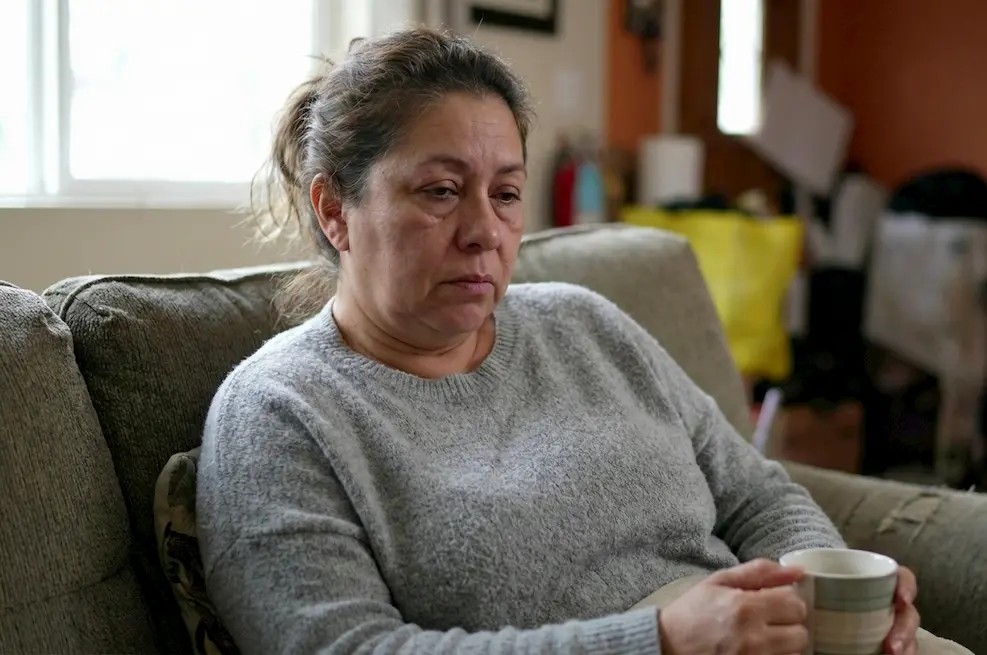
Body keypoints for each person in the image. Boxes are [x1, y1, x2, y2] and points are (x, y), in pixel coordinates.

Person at [196, 28, 922, 655]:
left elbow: (756, 493)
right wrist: (659, 640)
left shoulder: (585, 324)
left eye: (506, 194)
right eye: (441, 190)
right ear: (334, 209)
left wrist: (829, 585)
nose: (484, 231)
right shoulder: (279, 411)